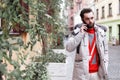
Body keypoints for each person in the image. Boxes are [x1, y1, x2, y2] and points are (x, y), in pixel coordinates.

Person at [66, 8, 109, 80]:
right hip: (82, 74)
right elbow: (69, 48)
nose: (90, 21)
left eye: (92, 18)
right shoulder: (77, 32)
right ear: (82, 19)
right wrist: (80, 34)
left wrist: (105, 66)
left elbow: (106, 52)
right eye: (87, 19)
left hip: (97, 73)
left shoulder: (101, 32)